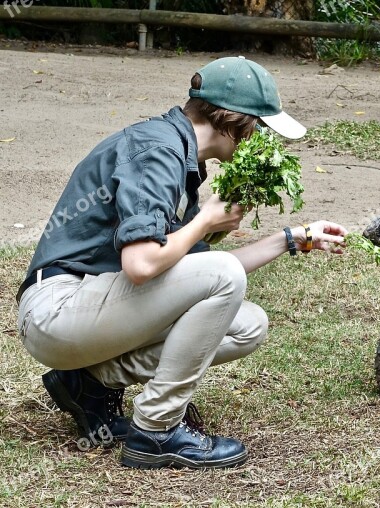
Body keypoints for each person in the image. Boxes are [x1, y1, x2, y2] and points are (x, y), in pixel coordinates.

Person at [15, 56, 347, 469]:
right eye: (261, 128)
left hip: (88, 310)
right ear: (235, 120)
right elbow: (140, 264)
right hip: (57, 311)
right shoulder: (158, 151)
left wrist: (291, 240)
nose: (263, 140)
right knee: (222, 276)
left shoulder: (182, 158)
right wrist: (206, 219)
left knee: (247, 325)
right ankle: (156, 431)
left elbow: (197, 273)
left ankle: (91, 382)